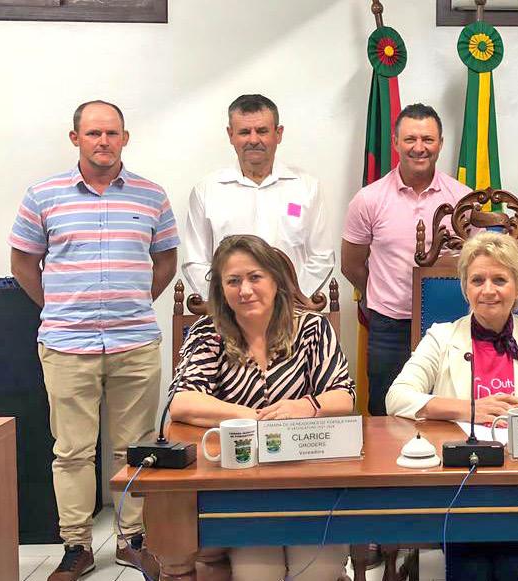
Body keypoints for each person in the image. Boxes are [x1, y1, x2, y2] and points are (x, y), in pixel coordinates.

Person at [8, 100, 178, 581]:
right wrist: (61, 307)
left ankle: (132, 541)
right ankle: (77, 546)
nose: (104, 141)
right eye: (93, 133)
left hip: (134, 342)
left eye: (112, 133)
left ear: (125, 138)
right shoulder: (43, 195)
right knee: (72, 452)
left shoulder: (151, 195)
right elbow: (23, 263)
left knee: (135, 448)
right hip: (67, 344)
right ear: (75, 138)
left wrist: (133, 301)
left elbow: (165, 259)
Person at [386, 232, 518, 581]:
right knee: (470, 568)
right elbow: (396, 397)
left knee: (514, 566)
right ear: (465, 288)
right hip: (459, 480)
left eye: (500, 280)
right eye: (477, 280)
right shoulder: (442, 336)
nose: (488, 290)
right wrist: (469, 408)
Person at [169, 234, 355, 581]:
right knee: (258, 573)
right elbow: (182, 402)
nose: (245, 290)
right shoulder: (208, 333)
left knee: (318, 572)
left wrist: (306, 406)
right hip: (241, 487)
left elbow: (343, 396)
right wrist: (254, 417)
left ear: (275, 280)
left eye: (255, 277)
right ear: (220, 289)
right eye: (233, 281)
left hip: (309, 479)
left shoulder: (312, 328)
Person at [342, 103, 470, 416]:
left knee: (448, 410)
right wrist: (384, 292)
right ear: (396, 143)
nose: (419, 147)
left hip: (449, 324)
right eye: (410, 139)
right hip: (389, 326)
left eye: (428, 139)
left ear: (441, 143)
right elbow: (352, 264)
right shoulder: (369, 199)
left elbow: (480, 261)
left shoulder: (462, 199)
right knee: (385, 411)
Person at [183, 94, 334, 298]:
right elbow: (195, 261)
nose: (253, 140)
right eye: (244, 132)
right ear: (231, 135)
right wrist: (226, 300)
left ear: (278, 134)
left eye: (262, 131)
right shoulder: (206, 190)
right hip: (230, 310)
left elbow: (322, 256)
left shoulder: (306, 187)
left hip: (292, 310)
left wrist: (293, 298)